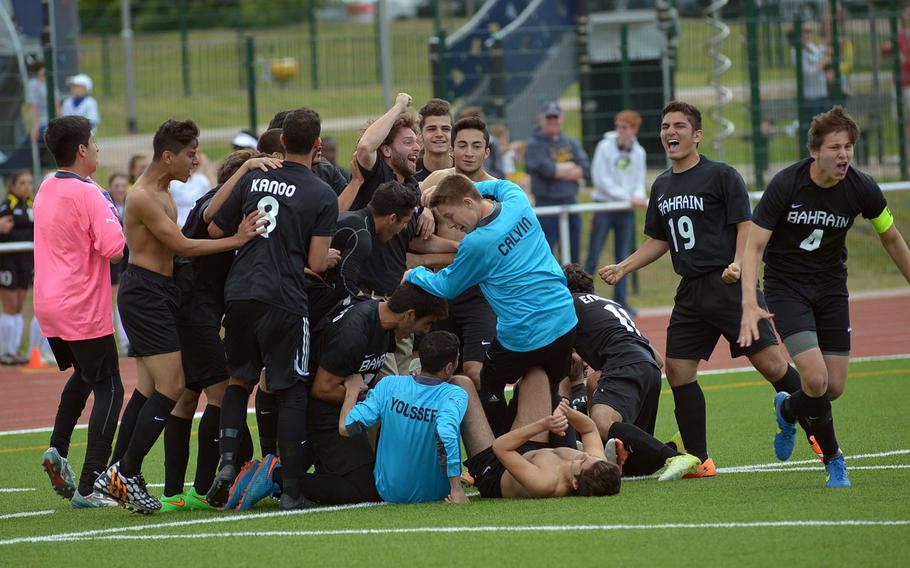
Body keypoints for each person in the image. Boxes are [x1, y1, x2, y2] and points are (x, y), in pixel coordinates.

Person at [599, 101, 806, 478]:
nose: (670, 132)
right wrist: (624, 266)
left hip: (729, 285)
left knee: (773, 365)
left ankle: (816, 427)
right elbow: (659, 240)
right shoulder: (661, 184)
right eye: (665, 126)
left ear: (697, 135)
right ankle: (699, 459)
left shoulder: (722, 175)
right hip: (691, 291)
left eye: (679, 126)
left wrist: (741, 266)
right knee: (678, 370)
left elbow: (746, 226)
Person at [95, 120, 264, 514]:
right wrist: (237, 238)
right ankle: (124, 472)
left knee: (154, 388)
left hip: (163, 293)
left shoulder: (165, 190)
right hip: (145, 294)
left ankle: (118, 476)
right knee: (171, 386)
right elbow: (181, 244)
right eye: (189, 154)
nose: (195, 161)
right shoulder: (141, 198)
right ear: (167, 155)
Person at [739, 106, 910, 487]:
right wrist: (750, 302)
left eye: (849, 146)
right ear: (815, 151)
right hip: (788, 290)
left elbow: (891, 237)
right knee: (814, 379)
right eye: (835, 147)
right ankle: (834, 460)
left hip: (831, 290)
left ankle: (788, 407)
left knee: (833, 387)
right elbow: (753, 247)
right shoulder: (786, 184)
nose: (844, 155)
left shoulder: (862, 187)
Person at [205, 108, 338, 512]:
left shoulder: (253, 175)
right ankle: (292, 490)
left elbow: (213, 225)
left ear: (281, 142)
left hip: (241, 291)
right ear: (317, 145)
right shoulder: (321, 193)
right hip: (284, 298)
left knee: (237, 381)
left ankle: (228, 464)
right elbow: (315, 263)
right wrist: (326, 258)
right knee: (291, 389)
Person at [225, 282, 448, 510]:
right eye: (427, 323)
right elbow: (323, 388)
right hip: (319, 413)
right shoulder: (353, 332)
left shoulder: (382, 323)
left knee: (364, 480)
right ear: (409, 315)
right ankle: (277, 476)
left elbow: (365, 369)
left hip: (333, 410)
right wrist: (365, 397)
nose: (425, 331)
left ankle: (281, 473)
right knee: (366, 490)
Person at [407, 175, 578, 437]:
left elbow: (447, 286)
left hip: (525, 335)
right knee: (548, 391)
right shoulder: (517, 199)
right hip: (565, 320)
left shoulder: (478, 243)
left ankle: (502, 448)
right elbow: (497, 186)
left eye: (451, 215)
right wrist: (446, 191)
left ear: (468, 202)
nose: (452, 225)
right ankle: (563, 452)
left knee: (488, 387)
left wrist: (414, 273)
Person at [159, 148, 280, 512]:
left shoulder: (211, 198)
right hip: (196, 309)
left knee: (186, 395)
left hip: (192, 306)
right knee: (220, 392)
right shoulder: (221, 205)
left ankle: (172, 493)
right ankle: (200, 488)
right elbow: (214, 229)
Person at [34, 116, 125, 508]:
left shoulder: (46, 185)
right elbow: (114, 247)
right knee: (111, 388)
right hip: (81, 305)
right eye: (94, 141)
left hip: (49, 303)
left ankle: (57, 449)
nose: (98, 148)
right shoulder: (89, 193)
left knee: (86, 376)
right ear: (82, 150)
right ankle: (89, 486)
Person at [347, 93, 457, 377]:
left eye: (416, 142)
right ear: (387, 151)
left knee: (403, 385)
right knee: (386, 386)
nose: (417, 148)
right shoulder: (377, 177)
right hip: (368, 303)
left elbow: (418, 241)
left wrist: (465, 246)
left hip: (398, 303)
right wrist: (398, 108)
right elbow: (364, 148)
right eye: (408, 142)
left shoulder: (410, 187)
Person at [563, 263, 700, 480]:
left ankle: (673, 456)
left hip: (625, 364)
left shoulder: (566, 304)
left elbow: (568, 362)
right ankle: (674, 445)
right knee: (635, 466)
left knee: (600, 423)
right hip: (649, 369)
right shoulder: (608, 304)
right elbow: (658, 358)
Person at [338, 330, 468, 505]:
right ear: (448, 367)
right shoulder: (454, 394)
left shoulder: (389, 385)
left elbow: (346, 427)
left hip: (387, 490)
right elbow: (445, 433)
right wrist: (457, 490)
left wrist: (352, 390)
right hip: (436, 493)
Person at [417, 116, 500, 388]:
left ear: (486, 152)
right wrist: (426, 210)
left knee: (477, 372)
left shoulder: (500, 192)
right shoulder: (436, 181)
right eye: (462, 145)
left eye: (476, 146)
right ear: (452, 150)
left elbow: (494, 252)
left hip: (479, 293)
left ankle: (492, 430)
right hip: (440, 292)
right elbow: (406, 217)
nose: (469, 152)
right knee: (436, 376)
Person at [457, 367, 619, 498]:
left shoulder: (545, 483)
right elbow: (589, 429)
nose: (584, 454)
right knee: (537, 374)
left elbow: (500, 447)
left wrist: (543, 424)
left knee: (461, 383)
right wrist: (565, 410)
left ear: (575, 484)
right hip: (531, 449)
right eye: (589, 456)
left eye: (583, 462)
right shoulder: (594, 463)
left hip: (494, 468)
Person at [309, 180, 419, 327]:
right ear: (392, 218)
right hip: (300, 304)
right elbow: (346, 288)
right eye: (405, 222)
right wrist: (381, 308)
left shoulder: (350, 218)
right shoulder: (362, 235)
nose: (404, 228)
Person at [584, 110, 647, 312]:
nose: (620, 131)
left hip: (625, 210)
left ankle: (621, 302)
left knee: (623, 257)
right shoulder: (604, 147)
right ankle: (584, 298)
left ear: (634, 129)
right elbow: (601, 180)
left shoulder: (639, 152)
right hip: (604, 207)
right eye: (618, 126)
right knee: (594, 254)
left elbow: (638, 181)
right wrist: (627, 197)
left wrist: (636, 196)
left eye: (624, 127)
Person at [524, 101, 590, 264]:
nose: (552, 121)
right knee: (546, 254)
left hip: (570, 203)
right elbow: (547, 170)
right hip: (547, 204)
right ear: (542, 119)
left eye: (556, 117)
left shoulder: (571, 142)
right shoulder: (534, 144)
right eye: (549, 118)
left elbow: (585, 168)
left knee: (573, 256)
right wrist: (569, 168)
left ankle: (573, 289)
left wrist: (558, 170)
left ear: (561, 119)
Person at [0, 171, 34, 364]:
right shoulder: (7, 206)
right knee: (10, 305)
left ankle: (14, 351)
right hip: (8, 261)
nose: (27, 187)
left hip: (25, 261)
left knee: (20, 305)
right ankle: (5, 351)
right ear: (12, 186)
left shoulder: (31, 205)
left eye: (29, 183)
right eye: (22, 183)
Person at [107, 173, 131, 354]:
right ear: (110, 187)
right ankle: (117, 341)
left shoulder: (130, 204)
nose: (121, 189)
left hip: (128, 254)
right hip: (113, 254)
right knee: (113, 297)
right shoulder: (107, 205)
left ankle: (127, 340)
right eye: (117, 186)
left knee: (124, 297)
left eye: (124, 185)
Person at [415, 98, 453, 182]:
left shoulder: (463, 170)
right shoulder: (410, 173)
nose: (439, 134)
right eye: (431, 129)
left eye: (445, 129)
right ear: (420, 135)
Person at [26, 59, 48, 145]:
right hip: (41, 123)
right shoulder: (33, 85)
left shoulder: (49, 83)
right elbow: (32, 106)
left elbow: (57, 105)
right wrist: (35, 126)